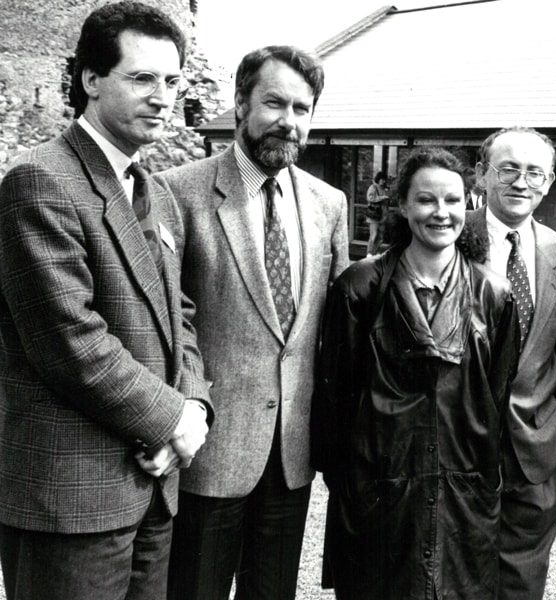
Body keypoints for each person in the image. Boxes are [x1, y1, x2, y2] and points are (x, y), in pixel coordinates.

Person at [0, 2, 212, 599]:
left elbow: (182, 318)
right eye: (142, 78)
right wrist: (172, 420)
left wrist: (194, 407)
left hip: (152, 488)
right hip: (71, 500)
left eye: (172, 81)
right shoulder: (40, 180)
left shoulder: (155, 191)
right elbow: (71, 341)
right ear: (91, 80)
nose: (163, 97)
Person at [156, 46, 349, 600]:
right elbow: (172, 321)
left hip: (291, 453)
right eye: (273, 103)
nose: (288, 121)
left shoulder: (329, 203)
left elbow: (333, 331)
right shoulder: (177, 192)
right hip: (207, 450)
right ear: (240, 103)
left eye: (302, 108)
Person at [313, 147, 520, 599]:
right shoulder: (361, 288)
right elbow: (334, 404)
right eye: (426, 200)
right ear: (403, 206)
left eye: (453, 200)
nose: (441, 213)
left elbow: (496, 403)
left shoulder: (494, 295)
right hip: (379, 497)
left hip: (463, 500)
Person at [469, 126, 556, 599]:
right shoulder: (448, 238)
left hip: (533, 457)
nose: (521, 182)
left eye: (534, 172)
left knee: (521, 589)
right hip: (457, 452)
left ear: (550, 182)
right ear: (481, 174)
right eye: (508, 169)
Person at [365, 171, 389, 256]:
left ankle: (377, 252)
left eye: (384, 180)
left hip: (383, 215)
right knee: (373, 235)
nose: (383, 181)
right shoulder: (373, 187)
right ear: (378, 179)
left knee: (380, 236)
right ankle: (369, 253)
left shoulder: (385, 189)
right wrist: (382, 197)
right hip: (374, 215)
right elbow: (370, 198)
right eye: (382, 179)